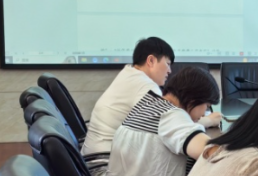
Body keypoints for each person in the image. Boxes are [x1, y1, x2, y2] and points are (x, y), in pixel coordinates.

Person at [102, 66, 220, 176]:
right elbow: (210, 152)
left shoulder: (148, 104)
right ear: (193, 100)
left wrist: (204, 123)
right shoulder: (171, 115)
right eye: (206, 105)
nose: (205, 112)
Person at [82, 36, 220, 158]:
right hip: (103, 162)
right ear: (151, 60)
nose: (170, 71)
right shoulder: (144, 87)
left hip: (97, 156)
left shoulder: (130, 75)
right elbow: (170, 124)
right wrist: (207, 120)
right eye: (167, 64)